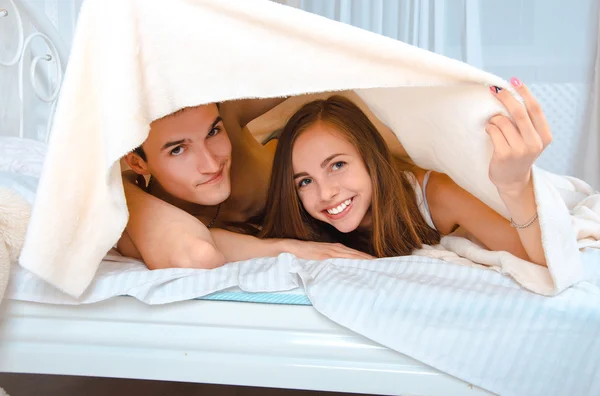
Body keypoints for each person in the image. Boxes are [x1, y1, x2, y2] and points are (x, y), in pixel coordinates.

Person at [260, 78, 551, 267]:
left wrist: (514, 185)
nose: (325, 193)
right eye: (306, 181)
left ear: (369, 158)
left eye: (337, 165)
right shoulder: (302, 222)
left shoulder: (437, 194)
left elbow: (536, 258)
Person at [118, 91, 407, 269]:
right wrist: (122, 187)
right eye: (177, 150)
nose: (210, 164)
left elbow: (314, 54)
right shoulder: (144, 220)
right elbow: (197, 255)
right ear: (138, 162)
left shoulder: (224, 111)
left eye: (213, 133)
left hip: (313, 155)